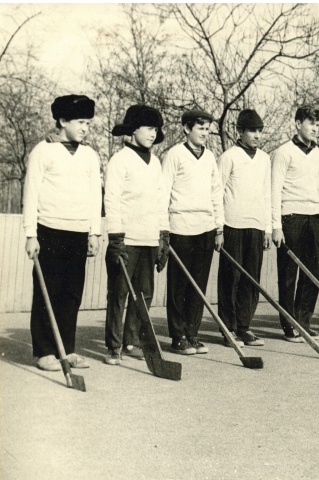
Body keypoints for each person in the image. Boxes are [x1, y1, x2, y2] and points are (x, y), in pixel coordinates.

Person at [22, 94, 101, 371]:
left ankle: (66, 349)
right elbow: (30, 195)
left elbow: (95, 196)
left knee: (71, 294)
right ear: (62, 120)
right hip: (49, 231)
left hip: (78, 232)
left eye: (88, 123)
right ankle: (44, 351)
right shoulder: (42, 152)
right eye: (80, 122)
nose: (85, 128)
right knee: (48, 293)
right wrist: (30, 234)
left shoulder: (90, 155)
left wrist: (94, 232)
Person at [103, 104, 169, 365]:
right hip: (126, 241)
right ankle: (114, 345)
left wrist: (164, 236)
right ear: (133, 130)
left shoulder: (156, 162)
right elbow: (113, 200)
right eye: (149, 128)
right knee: (119, 294)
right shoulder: (120, 160)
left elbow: (161, 201)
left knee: (143, 294)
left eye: (156, 129)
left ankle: (132, 340)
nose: (153, 133)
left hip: (149, 238)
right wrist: (116, 238)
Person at [162, 108, 224, 355]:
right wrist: (163, 230)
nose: (205, 134)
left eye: (207, 129)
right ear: (187, 128)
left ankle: (192, 334)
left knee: (198, 285)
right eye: (200, 128)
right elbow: (163, 193)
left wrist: (219, 227)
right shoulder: (174, 155)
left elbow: (216, 193)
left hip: (206, 228)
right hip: (180, 227)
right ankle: (178, 337)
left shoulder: (210, 157)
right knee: (179, 286)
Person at [271, 106, 319, 342]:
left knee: (312, 273)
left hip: (314, 217)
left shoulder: (317, 153)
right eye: (311, 123)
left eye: (318, 124)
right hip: (290, 217)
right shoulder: (283, 152)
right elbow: (275, 189)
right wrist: (276, 225)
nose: (315, 128)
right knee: (288, 274)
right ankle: (289, 324)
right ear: (297, 124)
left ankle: (304, 322)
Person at [216, 109, 271, 348]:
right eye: (252, 130)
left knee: (251, 279)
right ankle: (228, 329)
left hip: (256, 227)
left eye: (260, 131)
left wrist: (267, 228)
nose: (257, 135)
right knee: (231, 278)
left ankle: (244, 327)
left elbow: (266, 194)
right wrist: (218, 227)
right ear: (240, 131)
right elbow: (217, 192)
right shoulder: (229, 157)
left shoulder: (265, 159)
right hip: (232, 225)